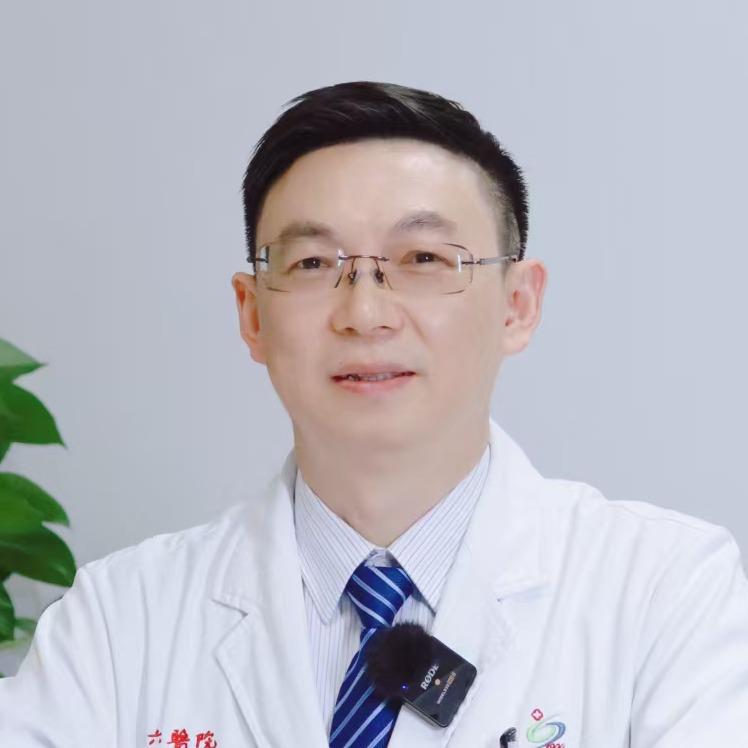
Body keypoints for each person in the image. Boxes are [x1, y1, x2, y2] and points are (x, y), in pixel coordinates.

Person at [1, 81, 747, 747]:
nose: (364, 313)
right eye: (313, 264)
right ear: (252, 315)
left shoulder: (666, 593)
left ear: (518, 305)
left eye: (424, 260)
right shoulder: (120, 618)